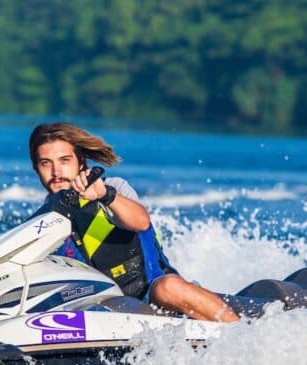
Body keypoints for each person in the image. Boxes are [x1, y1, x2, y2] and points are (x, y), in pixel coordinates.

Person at [29, 122, 239, 323]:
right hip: (105, 306)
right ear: (36, 168)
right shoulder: (41, 221)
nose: (56, 172)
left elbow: (141, 221)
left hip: (155, 291)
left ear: (80, 162)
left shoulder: (113, 188)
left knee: (166, 288)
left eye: (65, 160)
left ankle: (241, 336)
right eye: (46, 163)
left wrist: (105, 195)